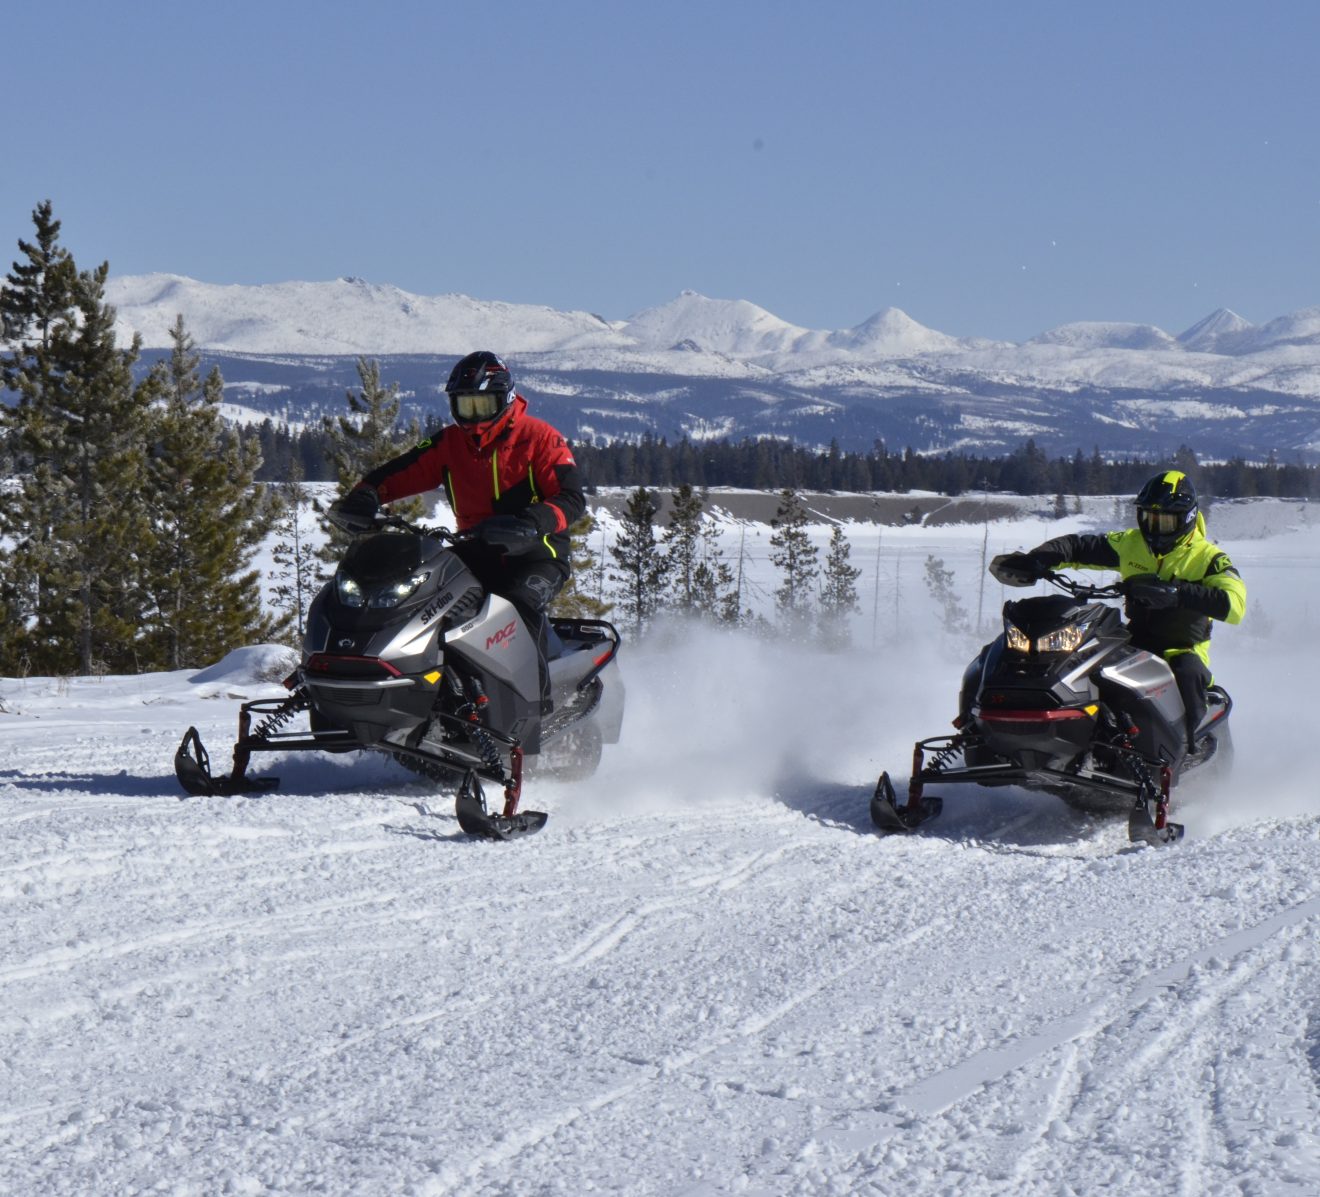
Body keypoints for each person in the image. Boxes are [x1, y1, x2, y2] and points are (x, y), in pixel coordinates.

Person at [328, 350, 585, 712]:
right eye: (465, 406)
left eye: (483, 405)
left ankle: (535, 707)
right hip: (476, 549)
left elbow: (573, 498)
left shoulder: (541, 439)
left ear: (506, 400)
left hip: (537, 555)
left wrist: (531, 523)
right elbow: (402, 470)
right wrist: (367, 495)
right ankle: (423, 696)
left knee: (516, 605)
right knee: (424, 598)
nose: (474, 418)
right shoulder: (451, 444)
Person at [992, 470, 1246, 755]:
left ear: (1186, 518)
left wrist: (1177, 593)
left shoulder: (1208, 558)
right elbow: (1079, 546)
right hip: (1132, 640)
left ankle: (1188, 750)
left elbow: (1234, 604)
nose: (1154, 527)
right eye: (1149, 517)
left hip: (1182, 647)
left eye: (1164, 520)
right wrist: (1037, 560)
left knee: (1188, 675)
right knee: (1078, 660)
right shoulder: (1131, 543)